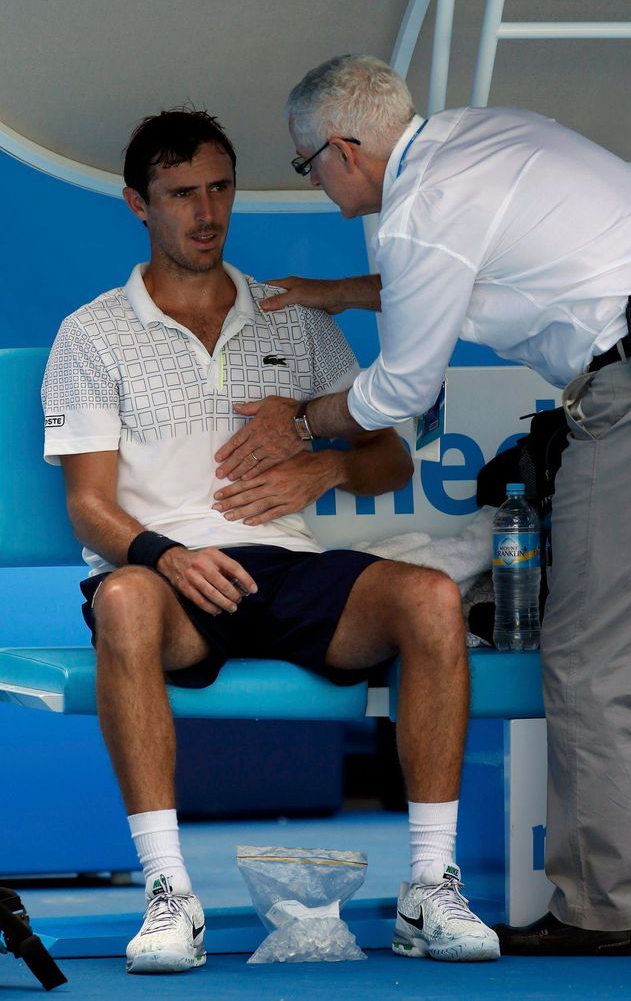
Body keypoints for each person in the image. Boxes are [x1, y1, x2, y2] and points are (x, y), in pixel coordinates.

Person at [214, 54, 631, 956]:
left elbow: (399, 390)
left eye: (307, 165)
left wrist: (301, 423)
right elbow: (461, 276)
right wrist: (338, 297)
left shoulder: (420, 210)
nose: (312, 183)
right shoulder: (477, 138)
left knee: (587, 666)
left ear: (345, 148)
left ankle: (599, 910)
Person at [41, 107, 500, 974]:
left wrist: (326, 470)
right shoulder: (91, 332)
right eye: (181, 194)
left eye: (219, 188)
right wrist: (164, 556)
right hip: (169, 580)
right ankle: (170, 893)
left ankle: (429, 888)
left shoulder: (293, 317)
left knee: (432, 598)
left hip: (291, 571)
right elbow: (91, 510)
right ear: (139, 204)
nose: (206, 212)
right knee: (125, 600)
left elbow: (389, 456)